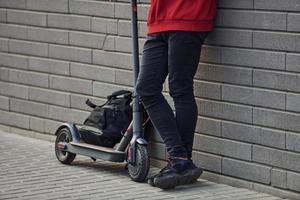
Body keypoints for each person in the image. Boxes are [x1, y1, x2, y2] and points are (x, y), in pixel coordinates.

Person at [135, 0, 217, 189]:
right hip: (160, 19)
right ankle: (181, 161)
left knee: (180, 90)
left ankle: (179, 159)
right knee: (146, 89)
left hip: (189, 15)